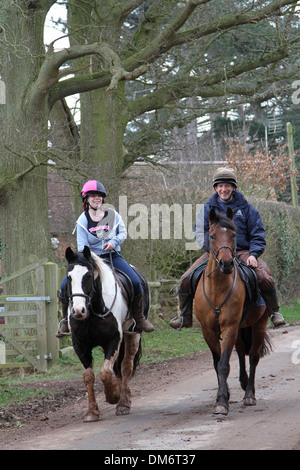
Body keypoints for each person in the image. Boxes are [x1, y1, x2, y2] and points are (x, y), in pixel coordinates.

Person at [170, 167, 286, 330]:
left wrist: (253, 254)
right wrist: (212, 249)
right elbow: (199, 231)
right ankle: (184, 316)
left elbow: (257, 233)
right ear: (215, 188)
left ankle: (274, 312)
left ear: (233, 188)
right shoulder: (207, 208)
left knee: (264, 278)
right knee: (185, 279)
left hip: (242, 252)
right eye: (220, 186)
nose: (224, 189)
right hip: (215, 252)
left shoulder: (247, 208)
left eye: (227, 185)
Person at [56, 180, 154, 336]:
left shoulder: (112, 215)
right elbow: (82, 247)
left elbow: (122, 233)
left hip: (112, 256)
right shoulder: (82, 220)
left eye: (99, 196)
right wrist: (92, 257)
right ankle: (64, 322)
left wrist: (113, 242)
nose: (97, 198)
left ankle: (139, 317)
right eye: (93, 196)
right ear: (86, 199)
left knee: (135, 281)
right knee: (63, 286)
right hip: (90, 260)